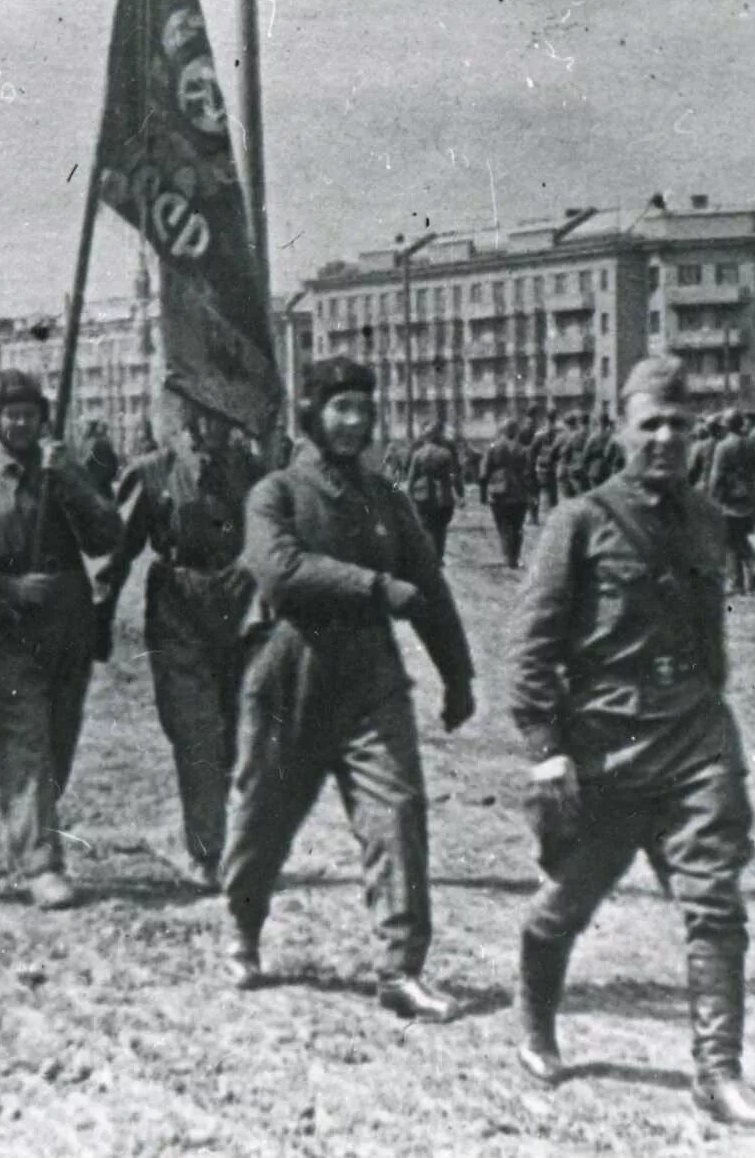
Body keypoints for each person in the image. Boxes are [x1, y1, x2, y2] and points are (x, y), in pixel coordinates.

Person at [503, 356, 755, 1132]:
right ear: (621, 427)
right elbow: (529, 645)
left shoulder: (703, 516)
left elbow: (709, 632)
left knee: (715, 904)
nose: (664, 437)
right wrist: (545, 745)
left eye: (679, 424)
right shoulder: (579, 521)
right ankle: (534, 1015)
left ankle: (718, 1071)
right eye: (649, 423)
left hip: (693, 741)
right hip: (606, 747)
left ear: (695, 433)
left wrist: (709, 712)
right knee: (564, 904)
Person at [222, 356, 476, 1018]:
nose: (354, 421)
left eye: (363, 408)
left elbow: (429, 588)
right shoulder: (274, 493)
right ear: (311, 412)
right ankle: (243, 928)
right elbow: (279, 572)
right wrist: (371, 586)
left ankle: (400, 968)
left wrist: (457, 673)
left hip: (370, 681)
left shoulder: (386, 500)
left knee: (396, 812)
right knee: (261, 821)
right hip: (288, 675)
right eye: (340, 407)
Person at [0, 371, 123, 910]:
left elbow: (108, 536)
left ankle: (27, 835)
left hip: (68, 627)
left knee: (58, 741)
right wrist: (8, 590)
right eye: (11, 415)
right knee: (26, 743)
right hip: (7, 636)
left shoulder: (63, 474)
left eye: (30, 414)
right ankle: (41, 861)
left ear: (43, 419)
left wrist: (77, 485)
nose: (21, 423)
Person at [94, 400, 259, 889]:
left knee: (234, 732)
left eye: (225, 414)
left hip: (240, 606)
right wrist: (98, 618)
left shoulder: (253, 471)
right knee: (195, 729)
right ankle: (208, 851)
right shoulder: (153, 472)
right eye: (207, 414)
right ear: (188, 414)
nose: (217, 424)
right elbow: (115, 551)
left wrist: (252, 562)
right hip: (177, 608)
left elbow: (277, 532)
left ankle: (215, 831)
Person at [707, 408, 755, 594]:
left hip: (729, 498)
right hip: (749, 495)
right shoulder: (753, 443)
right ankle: (738, 581)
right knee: (736, 537)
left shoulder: (723, 447)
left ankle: (748, 570)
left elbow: (716, 476)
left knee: (731, 539)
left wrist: (712, 499)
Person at [404, 418, 463, 560]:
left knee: (425, 526)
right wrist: (460, 493)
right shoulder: (446, 454)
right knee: (441, 528)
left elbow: (411, 477)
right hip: (443, 495)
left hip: (422, 495)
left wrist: (409, 495)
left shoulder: (418, 454)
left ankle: (430, 556)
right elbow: (454, 476)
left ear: (425, 437)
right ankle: (439, 555)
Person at [479, 418, 533, 568]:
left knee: (503, 525)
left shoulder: (493, 447)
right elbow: (529, 473)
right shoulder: (523, 449)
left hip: (499, 492)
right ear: (516, 431)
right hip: (519, 493)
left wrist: (483, 495)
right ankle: (514, 556)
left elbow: (484, 473)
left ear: (502, 430)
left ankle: (508, 556)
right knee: (518, 526)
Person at [80, 417, 121, 498]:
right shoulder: (104, 442)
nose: (83, 430)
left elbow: (85, 464)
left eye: (85, 427)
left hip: (94, 487)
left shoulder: (91, 443)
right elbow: (114, 463)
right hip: (104, 486)